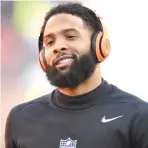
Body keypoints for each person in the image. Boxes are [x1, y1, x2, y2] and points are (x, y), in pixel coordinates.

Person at [5, 2, 148, 148]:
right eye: (50, 42)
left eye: (70, 36)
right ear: (42, 57)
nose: (58, 47)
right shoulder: (20, 119)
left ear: (99, 46)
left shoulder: (139, 116)